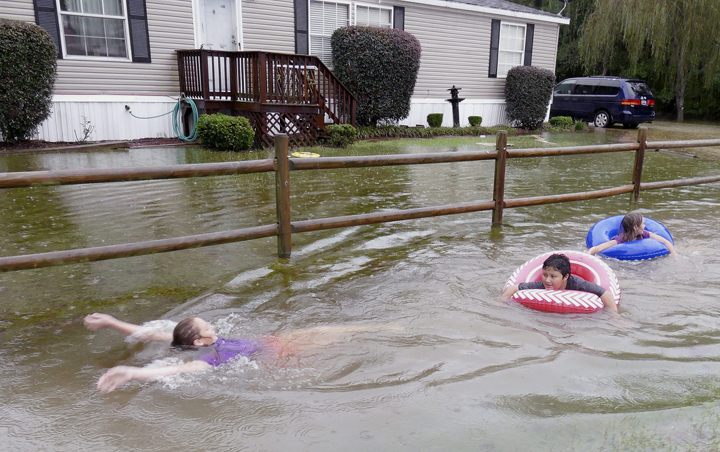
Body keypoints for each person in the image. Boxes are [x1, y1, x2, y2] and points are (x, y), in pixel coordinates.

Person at [84, 313, 400, 393]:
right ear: (198, 342)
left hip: (273, 341)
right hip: (277, 355)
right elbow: (178, 371)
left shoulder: (198, 341)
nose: (211, 324)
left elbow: (151, 332)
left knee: (329, 332)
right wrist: (135, 372)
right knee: (333, 341)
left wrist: (111, 322)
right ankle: (383, 333)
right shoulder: (210, 359)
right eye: (206, 325)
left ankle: (380, 329)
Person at [501, 253, 617, 313]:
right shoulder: (541, 285)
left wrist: (615, 317)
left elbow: (606, 294)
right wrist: (499, 303)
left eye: (553, 276)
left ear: (565, 277)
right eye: (545, 275)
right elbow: (514, 288)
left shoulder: (578, 284)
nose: (547, 280)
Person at [588, 211, 676, 256]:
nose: (645, 226)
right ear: (635, 227)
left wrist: (674, 255)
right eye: (642, 224)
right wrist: (589, 253)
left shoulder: (645, 234)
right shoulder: (621, 239)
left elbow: (665, 242)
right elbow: (600, 247)